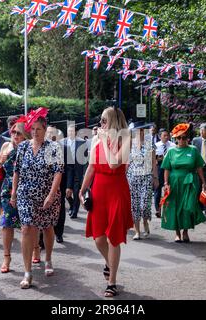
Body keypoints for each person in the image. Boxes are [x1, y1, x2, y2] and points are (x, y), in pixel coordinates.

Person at [79, 107, 132, 298]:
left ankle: (112, 282)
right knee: (99, 237)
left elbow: (114, 163)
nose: (100, 124)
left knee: (113, 237)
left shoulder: (126, 138)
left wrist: (103, 140)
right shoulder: (95, 139)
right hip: (99, 189)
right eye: (100, 121)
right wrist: (83, 188)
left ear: (114, 121)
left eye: (103, 121)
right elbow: (92, 166)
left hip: (117, 189)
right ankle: (109, 263)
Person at [10, 108, 64, 289]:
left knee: (47, 227)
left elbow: (58, 173)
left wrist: (51, 194)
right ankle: (27, 272)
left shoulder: (52, 147)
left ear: (45, 129)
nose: (34, 132)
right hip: (26, 194)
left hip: (47, 196)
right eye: (31, 129)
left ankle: (48, 258)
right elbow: (16, 171)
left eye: (38, 129)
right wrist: (14, 192)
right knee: (26, 228)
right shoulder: (23, 147)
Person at [161, 123, 206, 243]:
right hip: (174, 183)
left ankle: (185, 231)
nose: (181, 140)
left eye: (183, 137)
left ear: (188, 138)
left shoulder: (193, 150)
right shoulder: (171, 152)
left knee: (188, 206)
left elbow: (199, 168)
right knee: (175, 206)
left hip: (190, 183)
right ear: (175, 139)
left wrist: (204, 182)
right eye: (178, 138)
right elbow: (166, 168)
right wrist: (166, 183)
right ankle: (177, 233)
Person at [0, 121, 31, 273]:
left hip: (26, 188)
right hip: (8, 188)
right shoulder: (6, 146)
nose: (15, 135)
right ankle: (6, 256)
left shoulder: (29, 147)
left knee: (28, 225)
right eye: (13, 132)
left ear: (25, 135)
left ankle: (35, 248)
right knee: (7, 223)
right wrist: (1, 161)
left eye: (18, 133)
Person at [127, 121, 159, 240]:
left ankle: (145, 221)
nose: (139, 132)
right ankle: (137, 231)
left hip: (146, 176)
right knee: (134, 205)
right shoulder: (130, 144)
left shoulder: (149, 143)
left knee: (144, 204)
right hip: (132, 177)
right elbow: (126, 162)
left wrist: (155, 177)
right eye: (137, 130)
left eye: (141, 130)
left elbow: (153, 163)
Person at [47, 125, 74, 244]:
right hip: (45, 184)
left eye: (53, 133)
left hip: (61, 184)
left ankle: (59, 233)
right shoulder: (42, 147)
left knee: (60, 208)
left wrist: (69, 186)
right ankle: (44, 237)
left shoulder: (65, 148)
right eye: (48, 133)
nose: (50, 135)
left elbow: (70, 168)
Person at [61, 125, 88, 219]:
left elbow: (85, 160)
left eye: (72, 131)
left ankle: (75, 211)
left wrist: (84, 172)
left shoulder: (81, 142)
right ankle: (72, 204)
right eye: (69, 131)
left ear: (76, 132)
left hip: (77, 170)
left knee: (76, 192)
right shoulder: (63, 142)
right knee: (66, 192)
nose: (70, 133)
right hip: (67, 170)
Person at [154, 129, 176, 218]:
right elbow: (151, 159)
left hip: (170, 168)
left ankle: (169, 209)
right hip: (159, 168)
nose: (166, 137)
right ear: (160, 136)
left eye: (168, 135)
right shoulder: (156, 146)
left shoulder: (173, 145)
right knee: (157, 190)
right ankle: (158, 209)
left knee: (169, 189)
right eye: (164, 135)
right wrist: (157, 159)